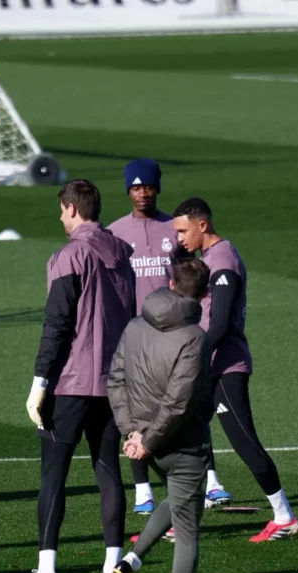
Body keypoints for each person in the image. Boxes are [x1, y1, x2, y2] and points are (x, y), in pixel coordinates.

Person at [20, 179, 134, 573]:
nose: (61, 218)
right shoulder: (123, 257)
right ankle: (111, 570)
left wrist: (39, 383)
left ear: (71, 209)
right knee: (108, 471)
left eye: (62, 211)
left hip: (70, 383)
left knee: (54, 474)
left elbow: (57, 325)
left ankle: (47, 571)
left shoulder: (70, 256)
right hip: (114, 383)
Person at [107, 159, 230, 514]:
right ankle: (143, 490)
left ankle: (211, 481)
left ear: (157, 189)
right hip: (139, 335)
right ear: (128, 190)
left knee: (187, 408)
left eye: (148, 187)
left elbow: (194, 276)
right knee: (138, 409)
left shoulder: (173, 229)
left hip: (177, 337)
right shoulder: (116, 232)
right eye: (135, 188)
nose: (142, 193)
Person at [173, 197, 298, 542]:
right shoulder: (208, 259)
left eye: (183, 231)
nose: (179, 238)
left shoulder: (223, 259)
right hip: (210, 366)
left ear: (203, 225)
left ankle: (284, 515)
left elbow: (222, 321)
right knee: (184, 442)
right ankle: (178, 519)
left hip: (225, 368)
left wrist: (194, 354)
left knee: (244, 442)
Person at [106, 259, 213, 573]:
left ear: (170, 284)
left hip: (147, 445)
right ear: (205, 294)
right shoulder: (195, 337)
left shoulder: (135, 325)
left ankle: (132, 559)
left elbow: (115, 379)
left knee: (182, 498)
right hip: (180, 443)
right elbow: (178, 403)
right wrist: (147, 438)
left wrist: (131, 433)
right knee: (188, 534)